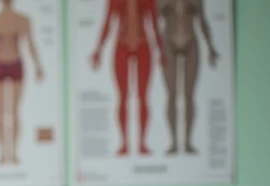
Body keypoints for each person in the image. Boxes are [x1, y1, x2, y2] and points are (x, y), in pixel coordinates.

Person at [91, 0, 164, 156]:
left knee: (143, 97)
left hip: (143, 44)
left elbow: (155, 24)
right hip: (122, 45)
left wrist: (161, 51)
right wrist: (98, 50)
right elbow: (108, 23)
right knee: (123, 97)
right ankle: (124, 143)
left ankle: (142, 143)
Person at [0, 0, 45, 165]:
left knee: (13, 112)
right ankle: (3, 153)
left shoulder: (22, 19)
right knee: (2, 112)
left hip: (15, 64)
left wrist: (38, 66)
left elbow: (30, 44)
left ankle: (13, 153)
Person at [158, 0, 219, 155]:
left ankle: (187, 143)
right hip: (168, 41)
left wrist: (211, 47)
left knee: (189, 95)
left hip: (191, 41)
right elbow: (154, 17)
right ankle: (173, 143)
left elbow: (202, 21)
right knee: (171, 95)